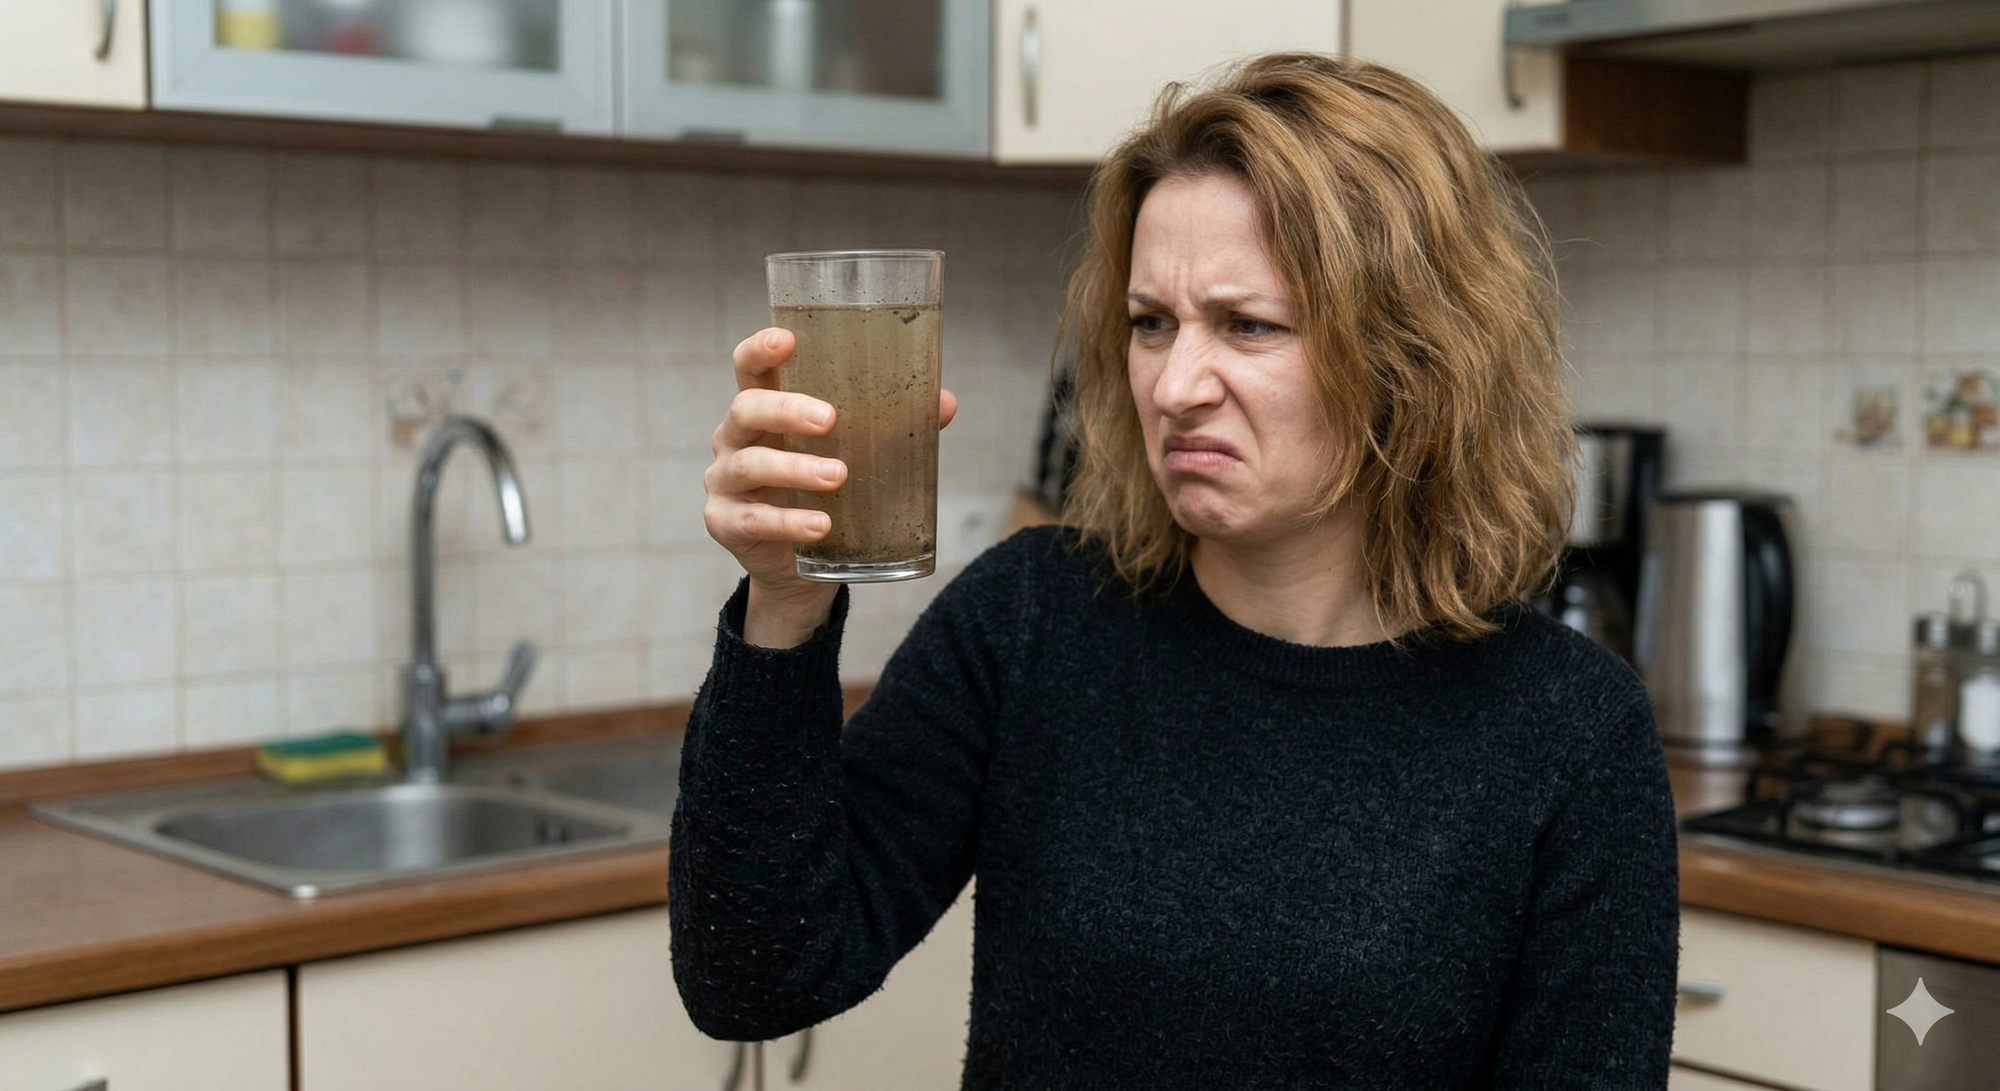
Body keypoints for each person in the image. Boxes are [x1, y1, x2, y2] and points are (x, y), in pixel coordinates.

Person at [670, 52, 1679, 1090]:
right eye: (1150, 323)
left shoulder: (1566, 725)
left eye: (1247, 325)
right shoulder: (1030, 619)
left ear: (1411, 358)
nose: (1175, 384)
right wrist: (783, 597)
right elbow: (755, 975)